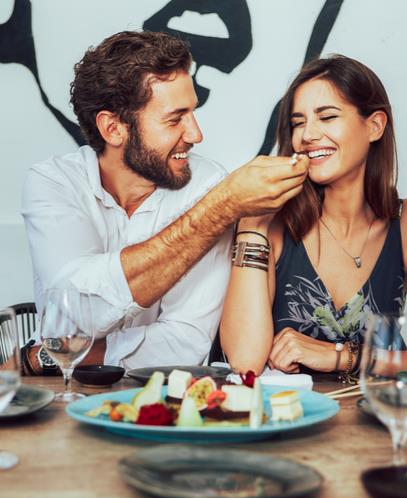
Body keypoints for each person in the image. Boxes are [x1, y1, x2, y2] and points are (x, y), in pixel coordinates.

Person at [19, 30, 309, 375]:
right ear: (113, 128)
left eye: (192, 113)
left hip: (158, 399)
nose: (196, 134)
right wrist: (220, 209)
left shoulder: (207, 185)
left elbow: (185, 343)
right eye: (175, 119)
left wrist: (48, 356)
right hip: (58, 395)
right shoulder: (53, 183)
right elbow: (78, 311)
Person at [220, 54, 407, 395]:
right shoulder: (269, 224)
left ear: (374, 126)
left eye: (327, 117)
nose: (308, 135)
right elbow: (244, 363)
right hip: (289, 427)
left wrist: (342, 357)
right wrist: (250, 219)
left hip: (383, 425)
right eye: (297, 122)